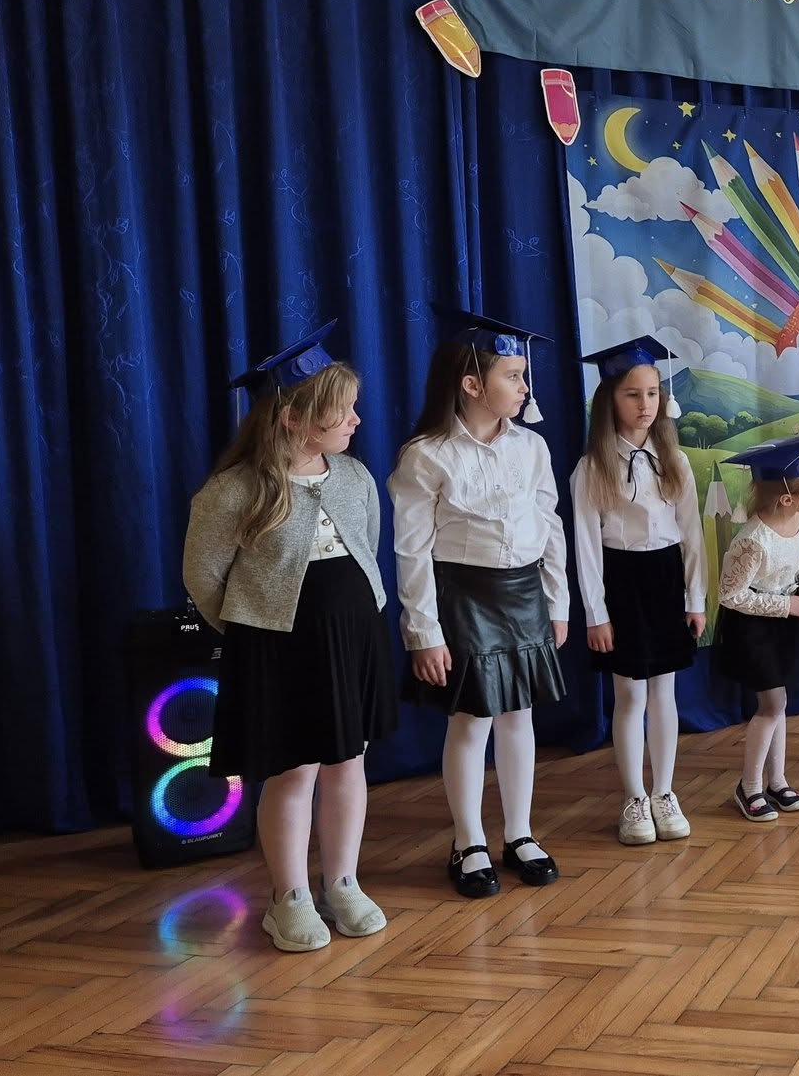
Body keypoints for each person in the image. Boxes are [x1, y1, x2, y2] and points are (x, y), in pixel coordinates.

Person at [182, 322, 396, 952]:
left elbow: (369, 544)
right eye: (343, 410)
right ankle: (289, 896)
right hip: (280, 649)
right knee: (294, 771)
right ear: (294, 418)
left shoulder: (354, 476)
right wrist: (257, 632)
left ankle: (343, 883)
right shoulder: (233, 491)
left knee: (348, 761)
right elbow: (203, 577)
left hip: (351, 639)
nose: (356, 419)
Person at [390, 312, 570, 898]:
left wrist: (558, 601)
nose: (525, 387)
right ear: (472, 384)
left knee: (519, 715)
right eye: (513, 376)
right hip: (463, 596)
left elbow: (549, 524)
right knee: (472, 720)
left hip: (524, 594)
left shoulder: (532, 447)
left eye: (523, 375)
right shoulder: (427, 455)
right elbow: (412, 550)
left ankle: (519, 833)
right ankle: (468, 840)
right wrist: (424, 631)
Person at [570, 337, 706, 846]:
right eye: (632, 394)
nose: (645, 404)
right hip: (621, 582)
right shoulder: (591, 468)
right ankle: (634, 798)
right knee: (629, 694)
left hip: (665, 578)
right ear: (610, 399)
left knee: (664, 691)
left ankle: (664, 792)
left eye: (652, 393)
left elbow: (692, 535)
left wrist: (695, 599)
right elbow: (586, 546)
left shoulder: (676, 461)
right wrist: (596, 614)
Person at [716, 434, 799, 822]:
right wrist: (785, 605)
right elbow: (730, 595)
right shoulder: (752, 541)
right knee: (772, 704)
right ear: (786, 499)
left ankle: (777, 781)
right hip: (754, 629)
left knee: (780, 703)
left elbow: (797, 559)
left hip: (787, 622)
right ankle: (749, 787)